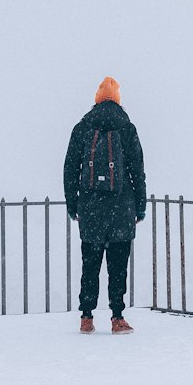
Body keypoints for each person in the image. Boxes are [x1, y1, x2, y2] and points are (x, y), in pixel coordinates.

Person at [63, 77, 147, 333]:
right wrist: (140, 205)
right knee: (117, 265)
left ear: (97, 99)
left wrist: (73, 204)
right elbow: (137, 170)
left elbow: (70, 169)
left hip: (90, 206)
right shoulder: (127, 128)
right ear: (118, 100)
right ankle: (117, 316)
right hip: (121, 206)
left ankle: (86, 317)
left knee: (90, 263)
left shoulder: (82, 128)